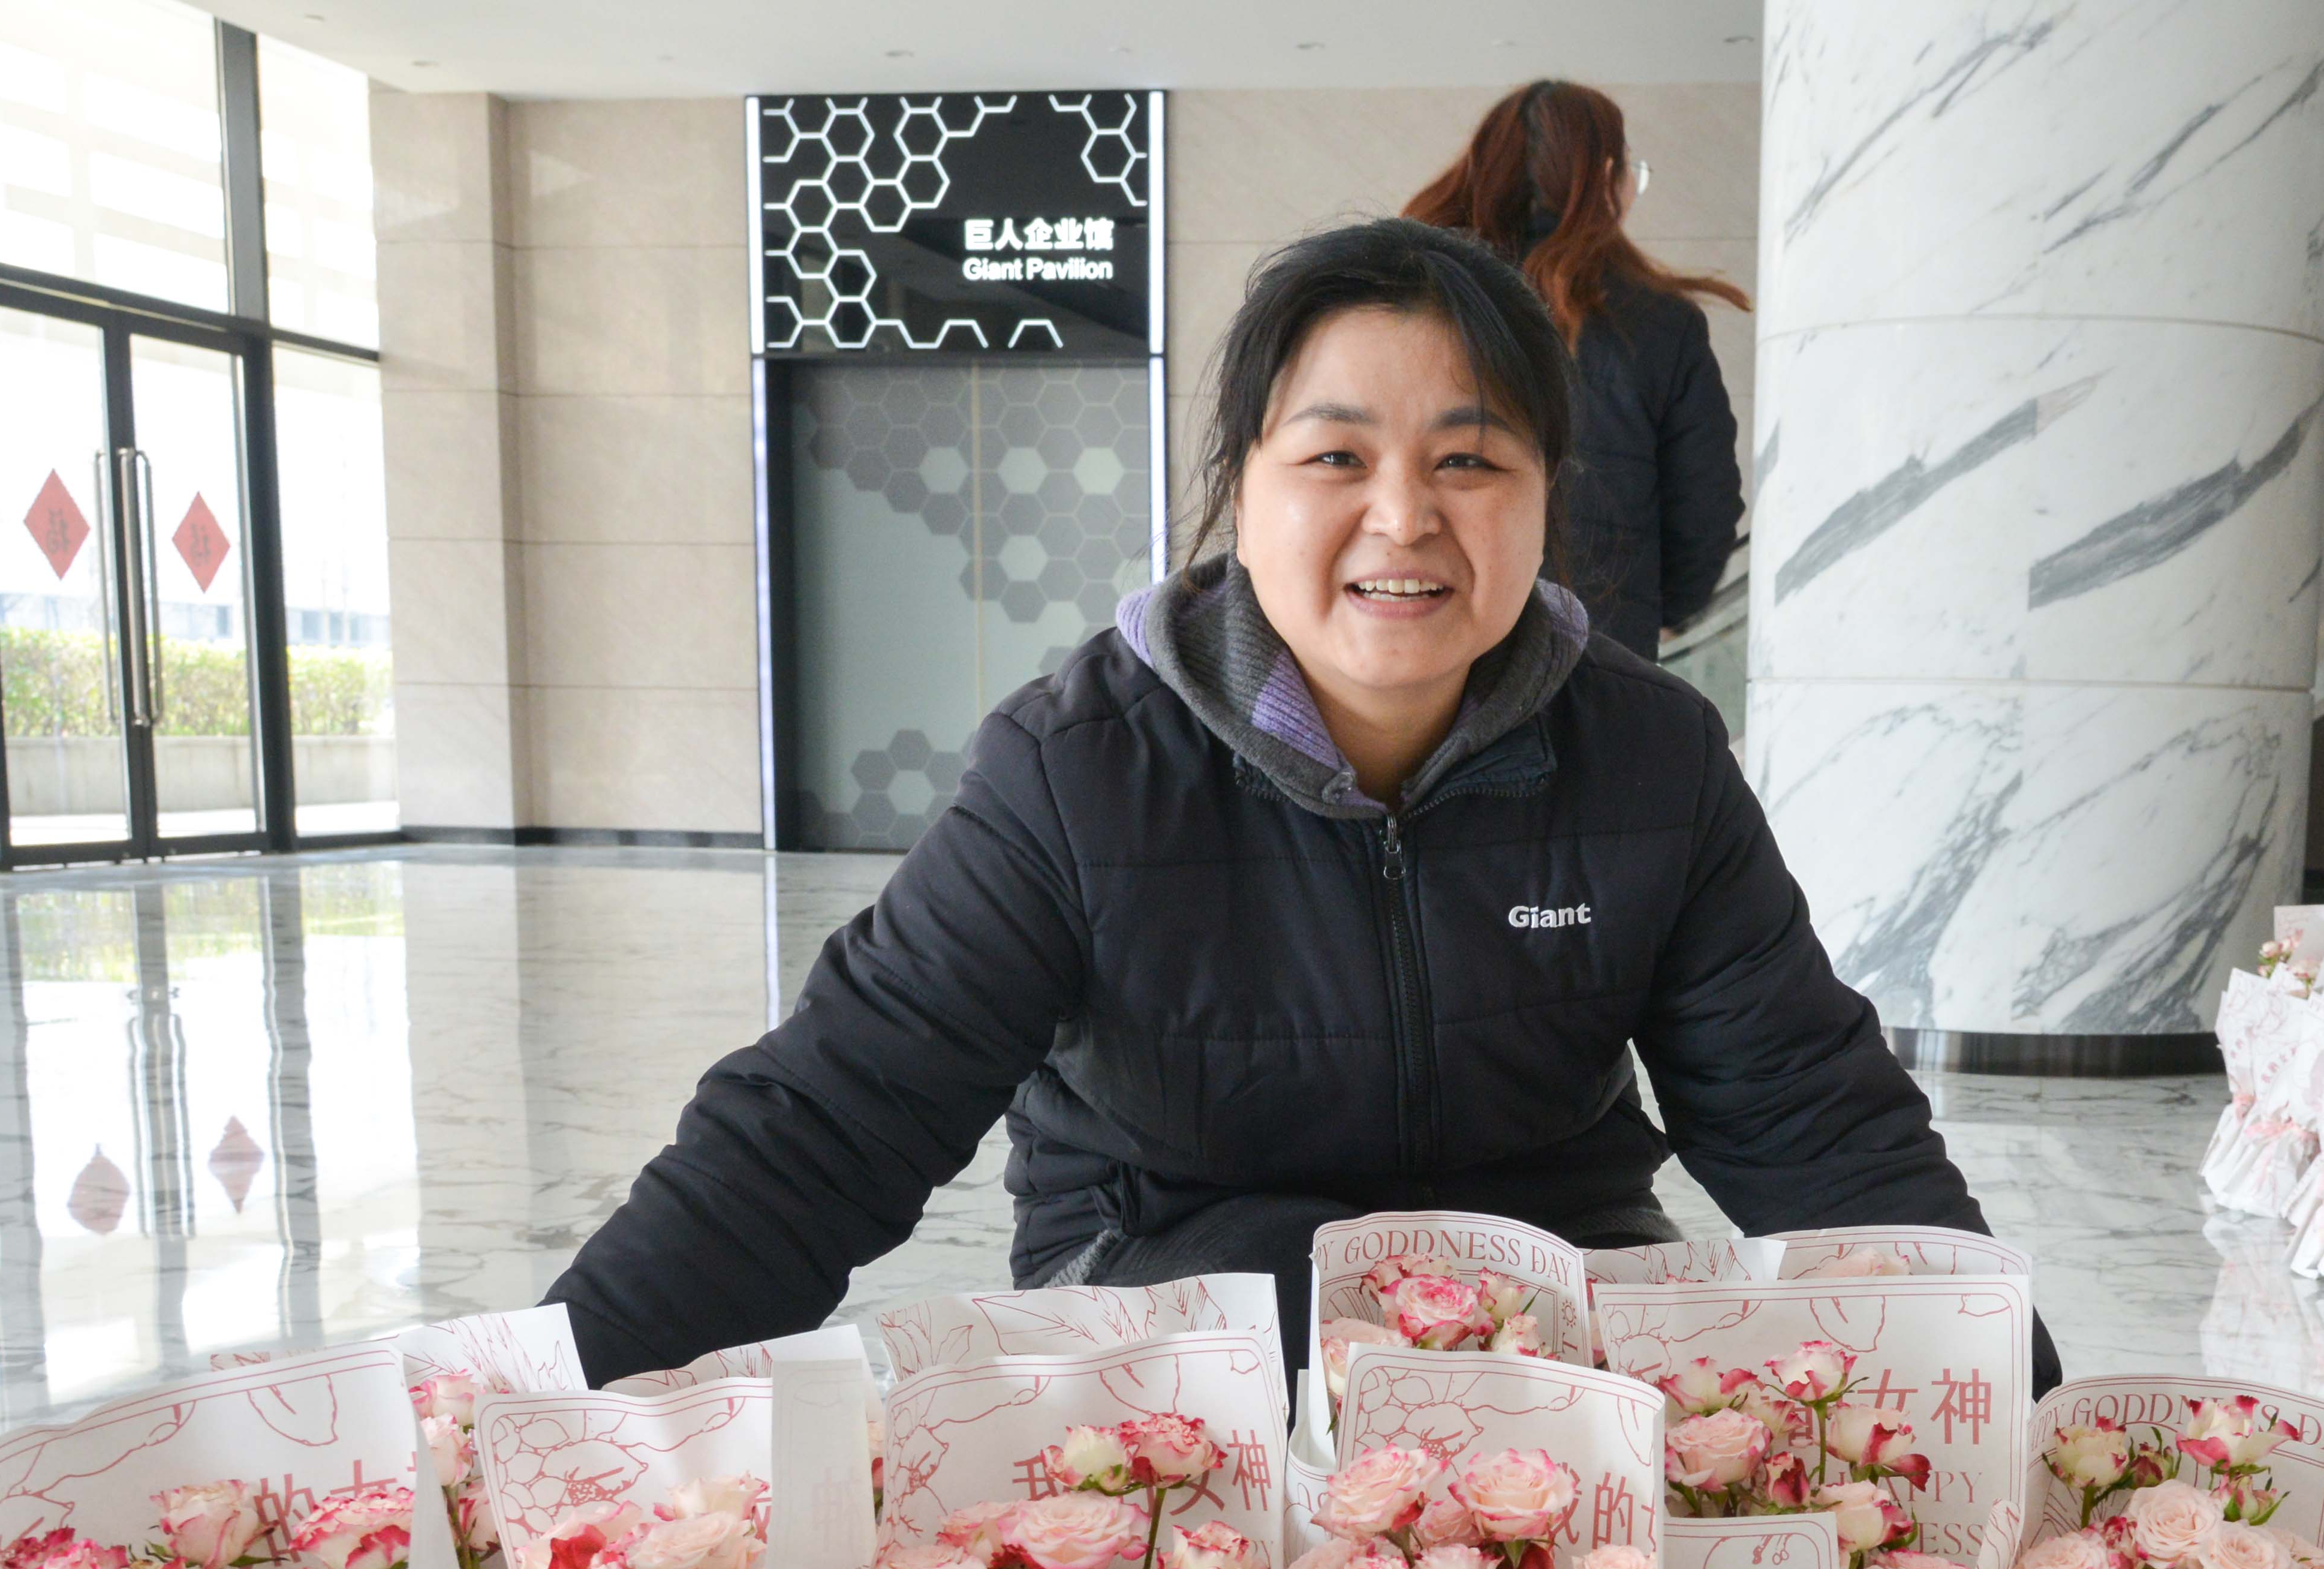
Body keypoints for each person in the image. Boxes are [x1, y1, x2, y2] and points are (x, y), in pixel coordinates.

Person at [546, 218, 2051, 1396]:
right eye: (1335, 456)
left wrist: (2028, 1419)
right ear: (1242, 488)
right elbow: (828, 1122)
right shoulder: (1075, 772)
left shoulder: (1650, 762)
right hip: (1175, 1288)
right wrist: (536, 1408)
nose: (1404, 515)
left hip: (1541, 1300)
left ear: (1545, 496)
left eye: (1469, 459)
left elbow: (1818, 1126)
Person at [1404, 82, 1744, 656]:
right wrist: (1660, 611)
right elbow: (1705, 508)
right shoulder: (1662, 323)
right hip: (1600, 647)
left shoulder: (1416, 299)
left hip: (1433, 627)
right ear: (1609, 176)